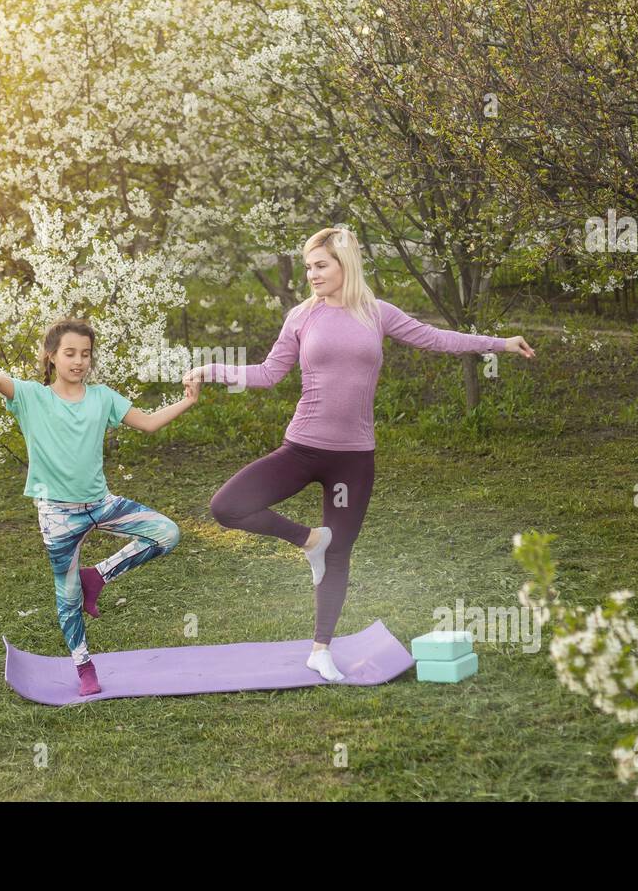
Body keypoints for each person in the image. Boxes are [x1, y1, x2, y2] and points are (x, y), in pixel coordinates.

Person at [185, 227, 535, 681]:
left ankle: (320, 648)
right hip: (303, 448)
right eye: (309, 266)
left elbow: (436, 339)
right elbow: (269, 373)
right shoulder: (301, 317)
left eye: (321, 265)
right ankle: (309, 540)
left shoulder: (377, 313)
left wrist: (499, 344)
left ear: (345, 265)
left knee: (340, 552)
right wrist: (210, 370)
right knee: (226, 506)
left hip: (353, 459)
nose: (311, 274)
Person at [0, 317, 200, 696]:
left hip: (101, 503)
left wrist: (189, 401)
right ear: (51, 356)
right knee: (67, 595)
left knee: (166, 533)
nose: (78, 361)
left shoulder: (103, 397)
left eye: (85, 354)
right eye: (70, 353)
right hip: (58, 514)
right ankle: (83, 666)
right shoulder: (33, 397)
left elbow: (146, 423)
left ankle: (99, 576)